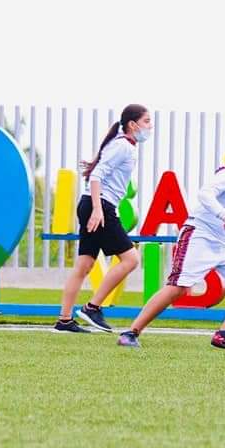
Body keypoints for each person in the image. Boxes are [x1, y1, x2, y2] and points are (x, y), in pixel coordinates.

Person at [118, 135, 225, 350]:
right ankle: (130, 332)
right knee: (178, 288)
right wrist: (224, 216)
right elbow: (205, 194)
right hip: (198, 237)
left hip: (222, 244)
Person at [54, 104, 152, 333]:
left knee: (84, 264)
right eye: (147, 121)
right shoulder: (123, 147)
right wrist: (99, 210)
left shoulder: (122, 145)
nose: (150, 127)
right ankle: (92, 307)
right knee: (131, 259)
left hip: (91, 204)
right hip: (99, 206)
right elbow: (97, 176)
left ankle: (64, 320)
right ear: (132, 124)